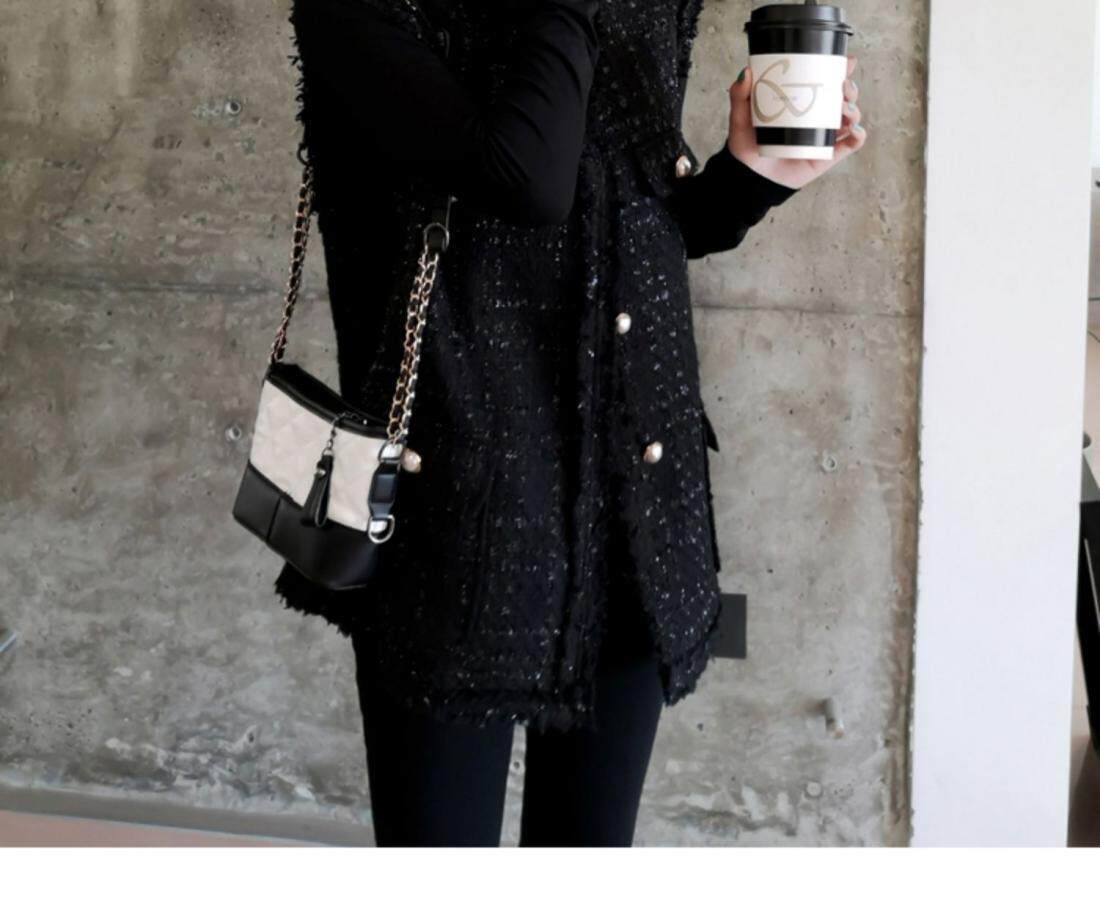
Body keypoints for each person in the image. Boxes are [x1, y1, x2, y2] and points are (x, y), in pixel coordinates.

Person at [273, 0, 865, 846]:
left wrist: (752, 174)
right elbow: (527, 178)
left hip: (633, 496)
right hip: (461, 514)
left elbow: (640, 219)